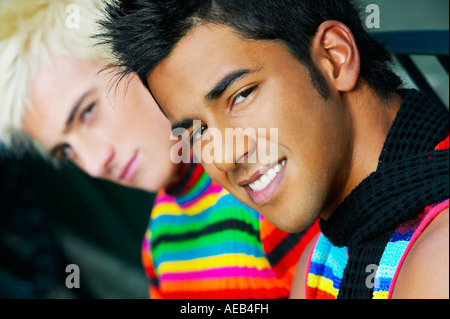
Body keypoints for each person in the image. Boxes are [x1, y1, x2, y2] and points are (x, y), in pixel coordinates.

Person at [99, 0, 449, 298]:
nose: (222, 157)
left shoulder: (437, 260)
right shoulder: (321, 260)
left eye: (241, 95)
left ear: (335, 57)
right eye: (197, 132)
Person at [0, 0, 319, 299]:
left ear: (135, 57)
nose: (95, 164)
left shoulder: (267, 180)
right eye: (66, 151)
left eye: (87, 112)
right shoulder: (158, 243)